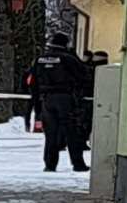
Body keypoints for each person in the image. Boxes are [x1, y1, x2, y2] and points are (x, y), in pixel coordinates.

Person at [30, 35, 97, 174]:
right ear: (66, 44)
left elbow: (33, 83)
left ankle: (50, 164)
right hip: (66, 98)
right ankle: (78, 164)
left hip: (46, 99)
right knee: (72, 132)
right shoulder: (69, 59)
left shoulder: (40, 59)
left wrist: (37, 107)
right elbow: (85, 77)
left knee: (51, 134)